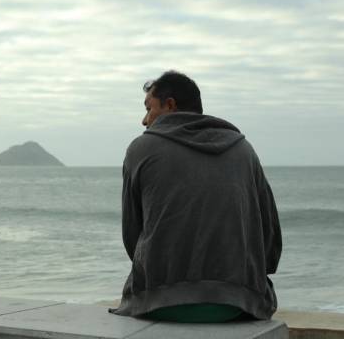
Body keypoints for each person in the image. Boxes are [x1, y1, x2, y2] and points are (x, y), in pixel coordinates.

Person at [109, 70, 281, 323]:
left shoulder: (141, 149)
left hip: (158, 304)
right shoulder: (243, 149)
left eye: (149, 109)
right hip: (237, 305)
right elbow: (269, 237)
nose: (144, 120)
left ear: (170, 105)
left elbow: (132, 236)